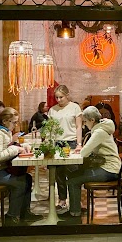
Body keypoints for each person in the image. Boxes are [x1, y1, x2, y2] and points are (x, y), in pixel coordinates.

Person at [0, 107, 43, 226]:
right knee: (20, 182)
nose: (16, 125)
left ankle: (24, 213)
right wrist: (16, 148)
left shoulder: (2, 131)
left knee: (27, 178)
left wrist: (20, 146)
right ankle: (11, 217)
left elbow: (5, 148)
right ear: (5, 121)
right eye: (14, 122)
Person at [65, 106, 121, 218]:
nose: (84, 125)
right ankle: (76, 208)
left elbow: (84, 153)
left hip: (109, 169)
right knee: (73, 176)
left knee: (73, 181)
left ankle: (75, 213)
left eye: (85, 121)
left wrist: (82, 150)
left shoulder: (99, 132)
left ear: (92, 120)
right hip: (110, 167)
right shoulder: (102, 128)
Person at [48, 85, 83, 213]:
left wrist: (79, 143)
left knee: (73, 173)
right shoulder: (52, 110)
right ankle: (62, 200)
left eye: (61, 97)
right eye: (56, 97)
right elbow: (50, 129)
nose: (58, 100)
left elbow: (78, 127)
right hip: (57, 143)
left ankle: (75, 202)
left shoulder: (75, 107)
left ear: (67, 95)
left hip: (71, 142)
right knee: (59, 174)